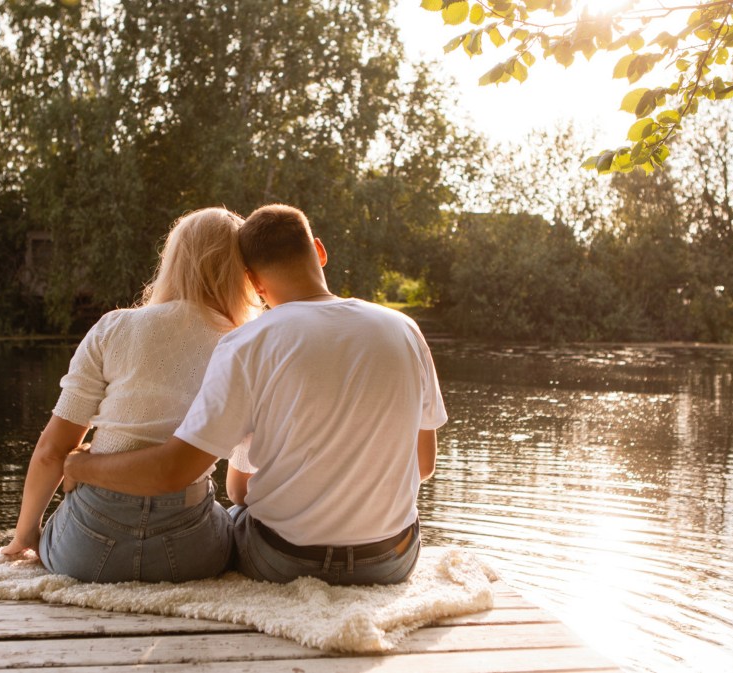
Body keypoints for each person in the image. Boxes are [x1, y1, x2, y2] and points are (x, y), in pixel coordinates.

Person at [64, 203, 447, 586]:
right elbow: (424, 464)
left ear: (253, 281)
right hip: (390, 559)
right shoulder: (404, 330)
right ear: (319, 250)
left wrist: (81, 466)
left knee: (229, 521)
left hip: (284, 562)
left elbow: (217, 483)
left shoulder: (247, 343)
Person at [0, 207, 260, 583]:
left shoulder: (114, 328)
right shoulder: (247, 346)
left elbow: (51, 451)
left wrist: (25, 537)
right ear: (241, 275)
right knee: (233, 518)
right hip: (188, 551)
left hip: (86, 547)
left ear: (173, 262)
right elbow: (242, 481)